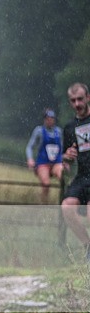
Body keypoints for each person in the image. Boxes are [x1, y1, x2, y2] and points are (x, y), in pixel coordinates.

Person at [60, 82, 90, 261]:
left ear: (88, 98)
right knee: (67, 207)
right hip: (83, 175)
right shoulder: (70, 127)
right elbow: (67, 159)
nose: (77, 104)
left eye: (80, 99)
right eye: (73, 100)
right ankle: (87, 245)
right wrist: (67, 158)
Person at [26, 108, 63, 204]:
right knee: (46, 184)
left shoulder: (59, 132)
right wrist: (30, 159)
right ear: (44, 119)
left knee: (63, 179)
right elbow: (30, 147)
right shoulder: (39, 131)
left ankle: (63, 201)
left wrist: (65, 160)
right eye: (48, 118)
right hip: (43, 162)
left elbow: (62, 148)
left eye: (52, 118)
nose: (50, 120)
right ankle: (43, 202)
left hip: (56, 162)